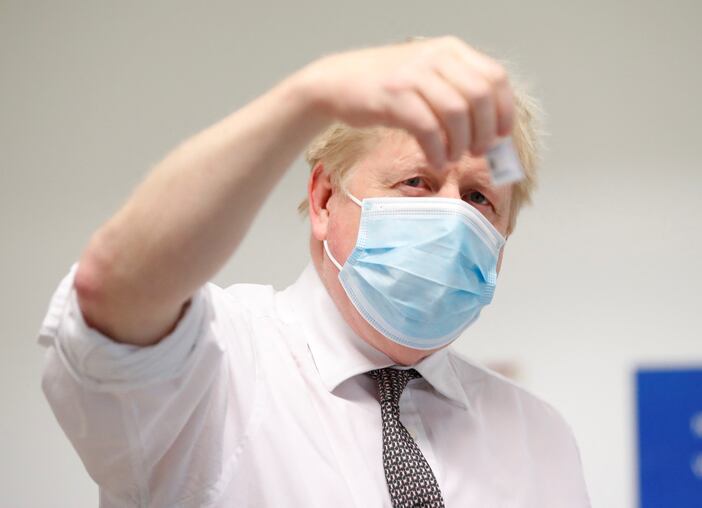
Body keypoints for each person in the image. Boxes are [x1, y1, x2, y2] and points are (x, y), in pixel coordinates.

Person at [37, 36, 591, 507]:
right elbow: (112, 288)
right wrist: (309, 96)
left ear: (503, 240)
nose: (450, 217)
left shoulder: (538, 438)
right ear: (326, 199)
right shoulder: (215, 369)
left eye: (478, 197)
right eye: (416, 183)